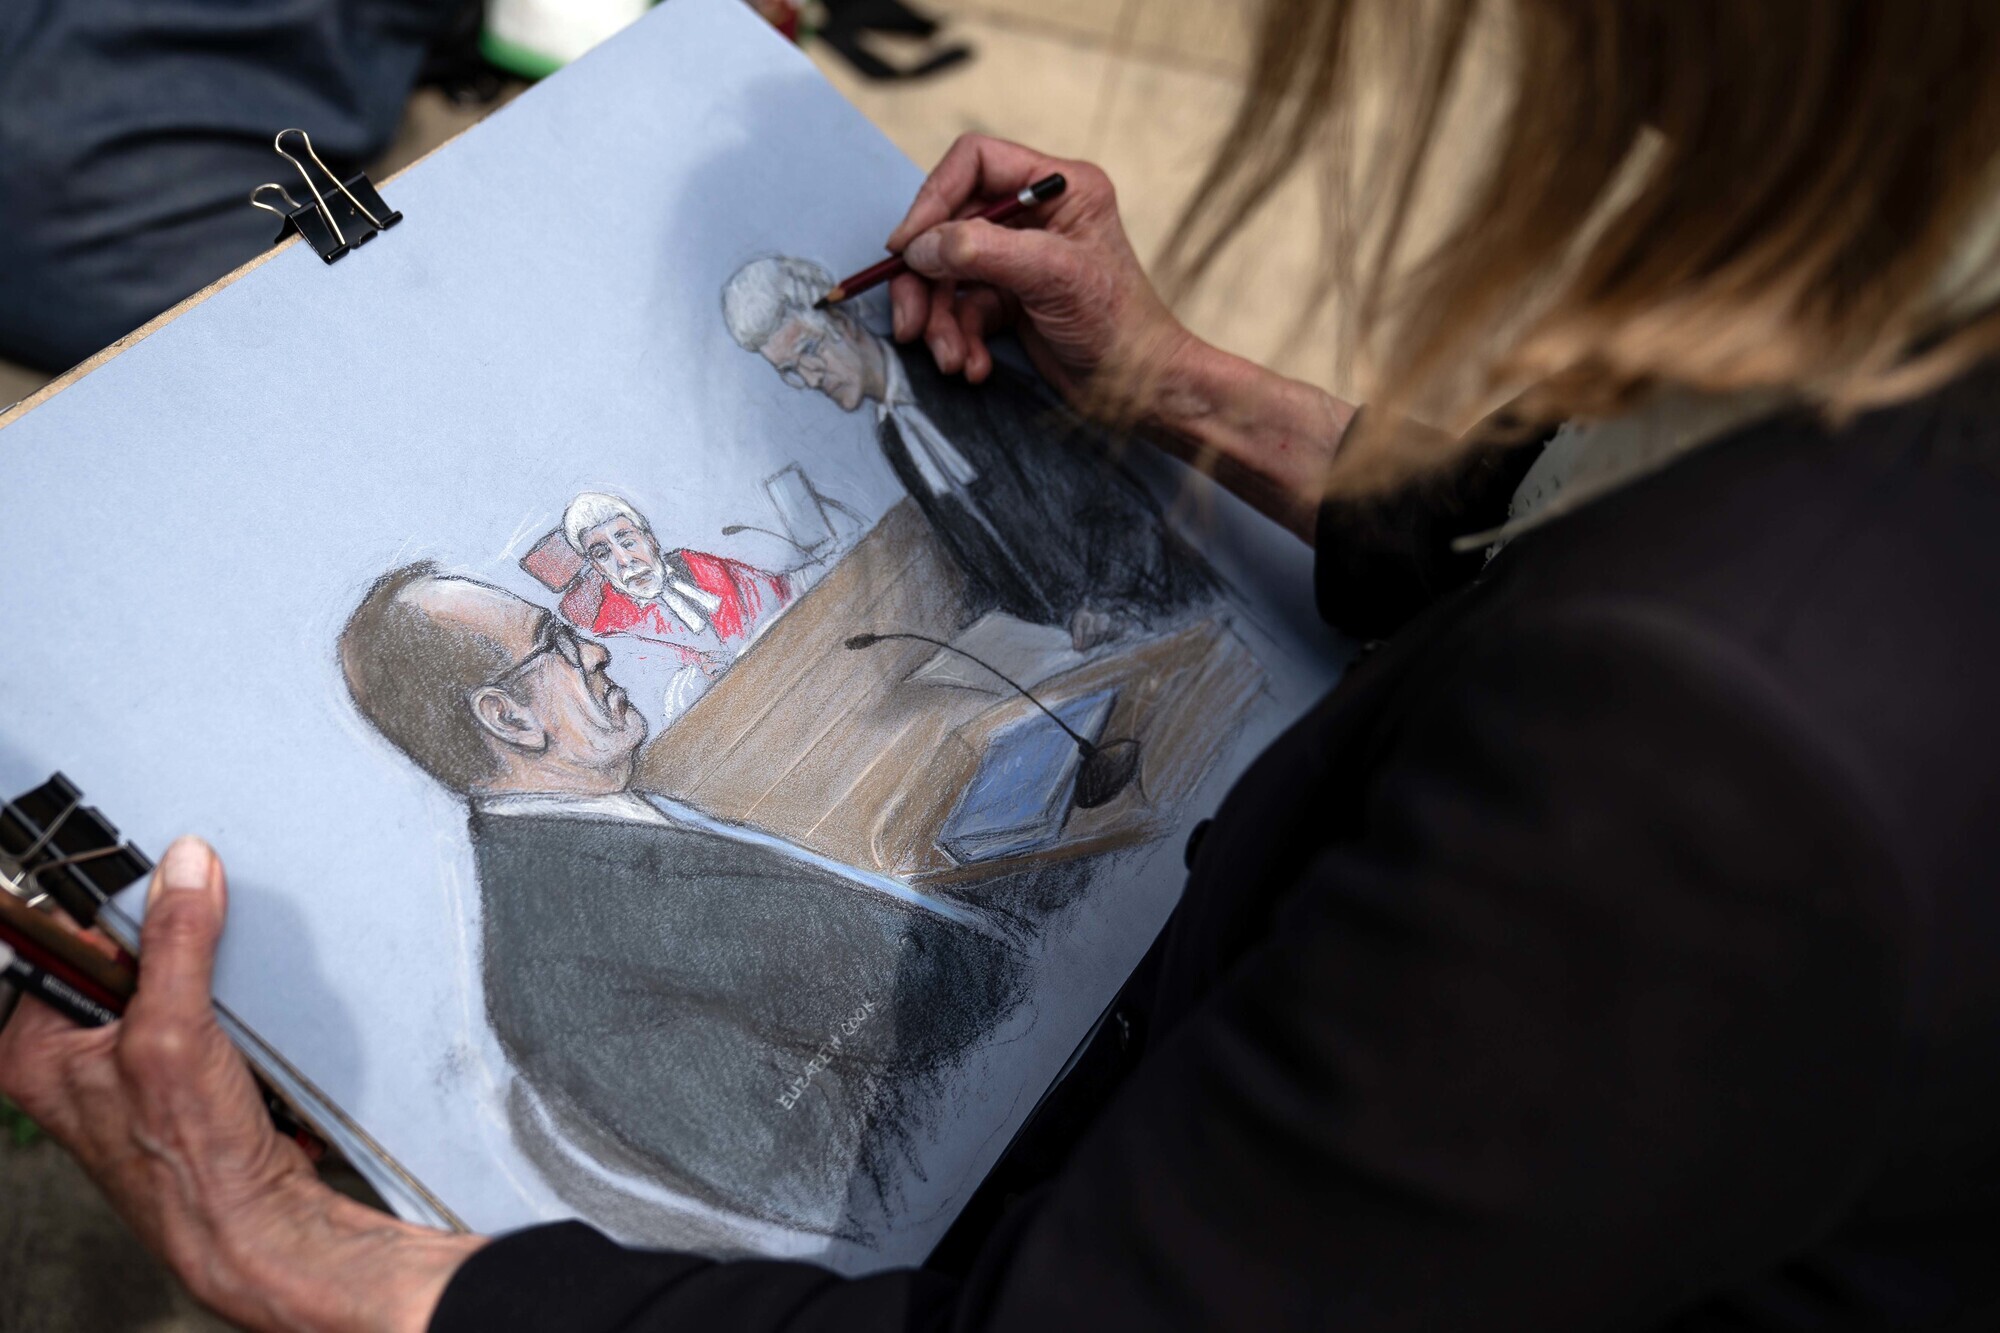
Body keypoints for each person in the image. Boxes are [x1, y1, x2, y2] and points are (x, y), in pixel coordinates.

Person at [6, 3, 2000, 1329]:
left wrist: (314, 1259)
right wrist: (1182, 390)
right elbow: (1583, 511)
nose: (594, 633)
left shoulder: (1711, 746)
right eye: (547, 634)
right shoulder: (578, 933)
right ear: (497, 716)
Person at [333, 562, 1021, 1243]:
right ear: (510, 718)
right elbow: (853, 1173)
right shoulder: (560, 973)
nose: (595, 650)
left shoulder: (616, 825)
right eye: (557, 642)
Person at [723, 255, 1217, 645]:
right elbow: (989, 551)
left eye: (809, 351)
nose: (810, 378)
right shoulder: (893, 435)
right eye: (790, 371)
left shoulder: (953, 368)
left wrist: (1111, 602)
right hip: (1070, 641)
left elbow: (1105, 497)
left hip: (1159, 607)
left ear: (845, 321)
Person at [559, 491, 794, 722]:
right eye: (603, 554)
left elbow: (774, 590)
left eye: (628, 542)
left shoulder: (699, 566)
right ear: (598, 568)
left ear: (650, 540)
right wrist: (698, 680)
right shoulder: (612, 634)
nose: (624, 560)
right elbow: (653, 708)